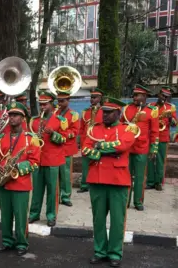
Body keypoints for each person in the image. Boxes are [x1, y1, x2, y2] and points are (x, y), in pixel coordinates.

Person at [82, 97, 135, 268]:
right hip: (97, 179)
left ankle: (114, 253)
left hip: (118, 180)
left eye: (109, 112)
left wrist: (99, 147)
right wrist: (105, 150)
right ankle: (100, 251)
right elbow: (85, 149)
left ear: (118, 113)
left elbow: (122, 146)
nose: (104, 115)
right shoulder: (94, 129)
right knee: (98, 219)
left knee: (117, 220)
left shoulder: (127, 129)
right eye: (104, 112)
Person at [0, 102, 40, 256]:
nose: (11, 118)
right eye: (10, 115)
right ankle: (7, 241)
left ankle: (22, 243)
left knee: (20, 216)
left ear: (23, 118)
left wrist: (16, 168)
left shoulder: (31, 138)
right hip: (3, 183)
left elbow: (35, 162)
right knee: (5, 215)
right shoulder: (0, 138)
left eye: (15, 115)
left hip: (20, 184)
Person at [28, 90, 67, 227]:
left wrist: (53, 134)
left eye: (45, 104)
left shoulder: (60, 121)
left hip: (52, 160)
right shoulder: (34, 121)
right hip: (37, 159)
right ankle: (34, 214)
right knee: (37, 189)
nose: (43, 107)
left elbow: (64, 139)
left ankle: (51, 216)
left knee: (52, 191)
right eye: (41, 105)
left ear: (52, 104)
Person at [120, 85, 159, 211]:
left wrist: (154, 148)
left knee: (140, 177)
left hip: (142, 148)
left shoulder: (151, 110)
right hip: (127, 147)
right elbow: (120, 126)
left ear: (145, 96)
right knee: (126, 175)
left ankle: (138, 201)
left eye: (137, 95)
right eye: (134, 95)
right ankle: (125, 201)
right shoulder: (127, 109)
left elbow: (154, 131)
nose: (134, 97)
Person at [146, 86, 176, 191]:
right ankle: (150, 182)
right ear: (159, 94)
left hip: (163, 137)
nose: (164, 98)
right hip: (151, 136)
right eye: (163, 95)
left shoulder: (170, 108)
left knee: (160, 160)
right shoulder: (151, 106)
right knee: (150, 159)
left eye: (167, 97)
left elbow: (174, 124)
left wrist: (171, 119)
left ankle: (158, 182)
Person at [77, 88, 104, 193]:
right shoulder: (85, 112)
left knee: (98, 164)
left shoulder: (104, 111)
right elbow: (81, 128)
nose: (92, 100)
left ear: (100, 98)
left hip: (98, 141)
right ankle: (84, 185)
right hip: (86, 141)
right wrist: (79, 141)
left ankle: (97, 184)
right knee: (85, 165)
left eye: (94, 98)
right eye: (91, 98)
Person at [55, 91, 79, 207]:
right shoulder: (54, 113)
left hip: (66, 148)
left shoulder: (73, 115)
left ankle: (65, 196)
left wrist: (61, 135)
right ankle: (56, 195)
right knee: (56, 174)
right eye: (58, 101)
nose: (59, 103)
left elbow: (74, 131)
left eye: (62, 101)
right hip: (55, 147)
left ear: (68, 101)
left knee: (65, 174)